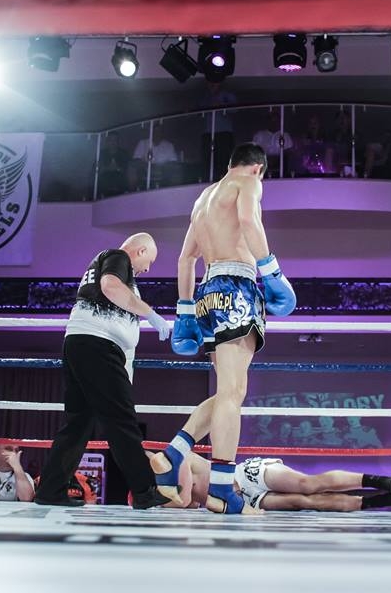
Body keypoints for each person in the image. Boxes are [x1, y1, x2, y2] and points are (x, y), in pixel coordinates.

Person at [164, 143, 296, 514]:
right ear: (258, 168)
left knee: (228, 392)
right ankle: (222, 490)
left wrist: (185, 311)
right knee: (232, 394)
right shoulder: (248, 182)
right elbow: (250, 223)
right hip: (236, 287)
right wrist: (272, 271)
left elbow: (185, 259)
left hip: (207, 293)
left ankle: (174, 454)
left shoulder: (203, 199)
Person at [34, 232, 172, 509]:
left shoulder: (112, 270)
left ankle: (50, 489)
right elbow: (110, 287)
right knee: (121, 419)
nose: (148, 269)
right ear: (140, 251)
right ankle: (144, 491)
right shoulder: (118, 257)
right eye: (150, 261)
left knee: (78, 423)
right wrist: (151, 314)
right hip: (98, 346)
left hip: (83, 344)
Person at [148, 451, 391, 512]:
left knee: (308, 484)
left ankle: (386, 482)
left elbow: (184, 499)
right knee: (305, 502)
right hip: (245, 500)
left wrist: (158, 496)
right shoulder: (164, 486)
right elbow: (191, 505)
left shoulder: (177, 457)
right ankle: (385, 500)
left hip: (246, 474)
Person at [97, 132, 132, 197]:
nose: (113, 142)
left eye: (115, 140)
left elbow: (129, 171)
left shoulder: (124, 154)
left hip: (120, 188)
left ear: (118, 142)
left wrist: (118, 168)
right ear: (107, 142)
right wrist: (107, 168)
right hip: (103, 188)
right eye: (111, 140)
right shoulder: (101, 154)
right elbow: (96, 171)